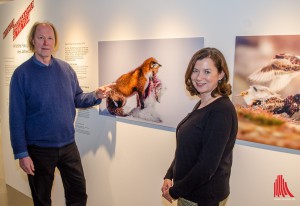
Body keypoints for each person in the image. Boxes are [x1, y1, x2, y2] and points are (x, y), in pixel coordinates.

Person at [9, 21, 114, 206]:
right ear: (32, 40)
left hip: (68, 146)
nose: (45, 42)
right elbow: (16, 117)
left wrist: (96, 95)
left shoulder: (66, 69)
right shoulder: (21, 74)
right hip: (38, 150)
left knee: (78, 195)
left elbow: (78, 98)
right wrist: (21, 153)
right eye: (41, 37)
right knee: (42, 200)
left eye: (50, 38)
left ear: (54, 42)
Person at [161, 47, 238, 206]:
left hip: (202, 198)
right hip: (188, 192)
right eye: (195, 71)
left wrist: (175, 191)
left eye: (207, 72)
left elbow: (206, 167)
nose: (199, 77)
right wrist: (169, 175)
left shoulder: (221, 111)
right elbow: (187, 149)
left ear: (221, 74)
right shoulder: (204, 103)